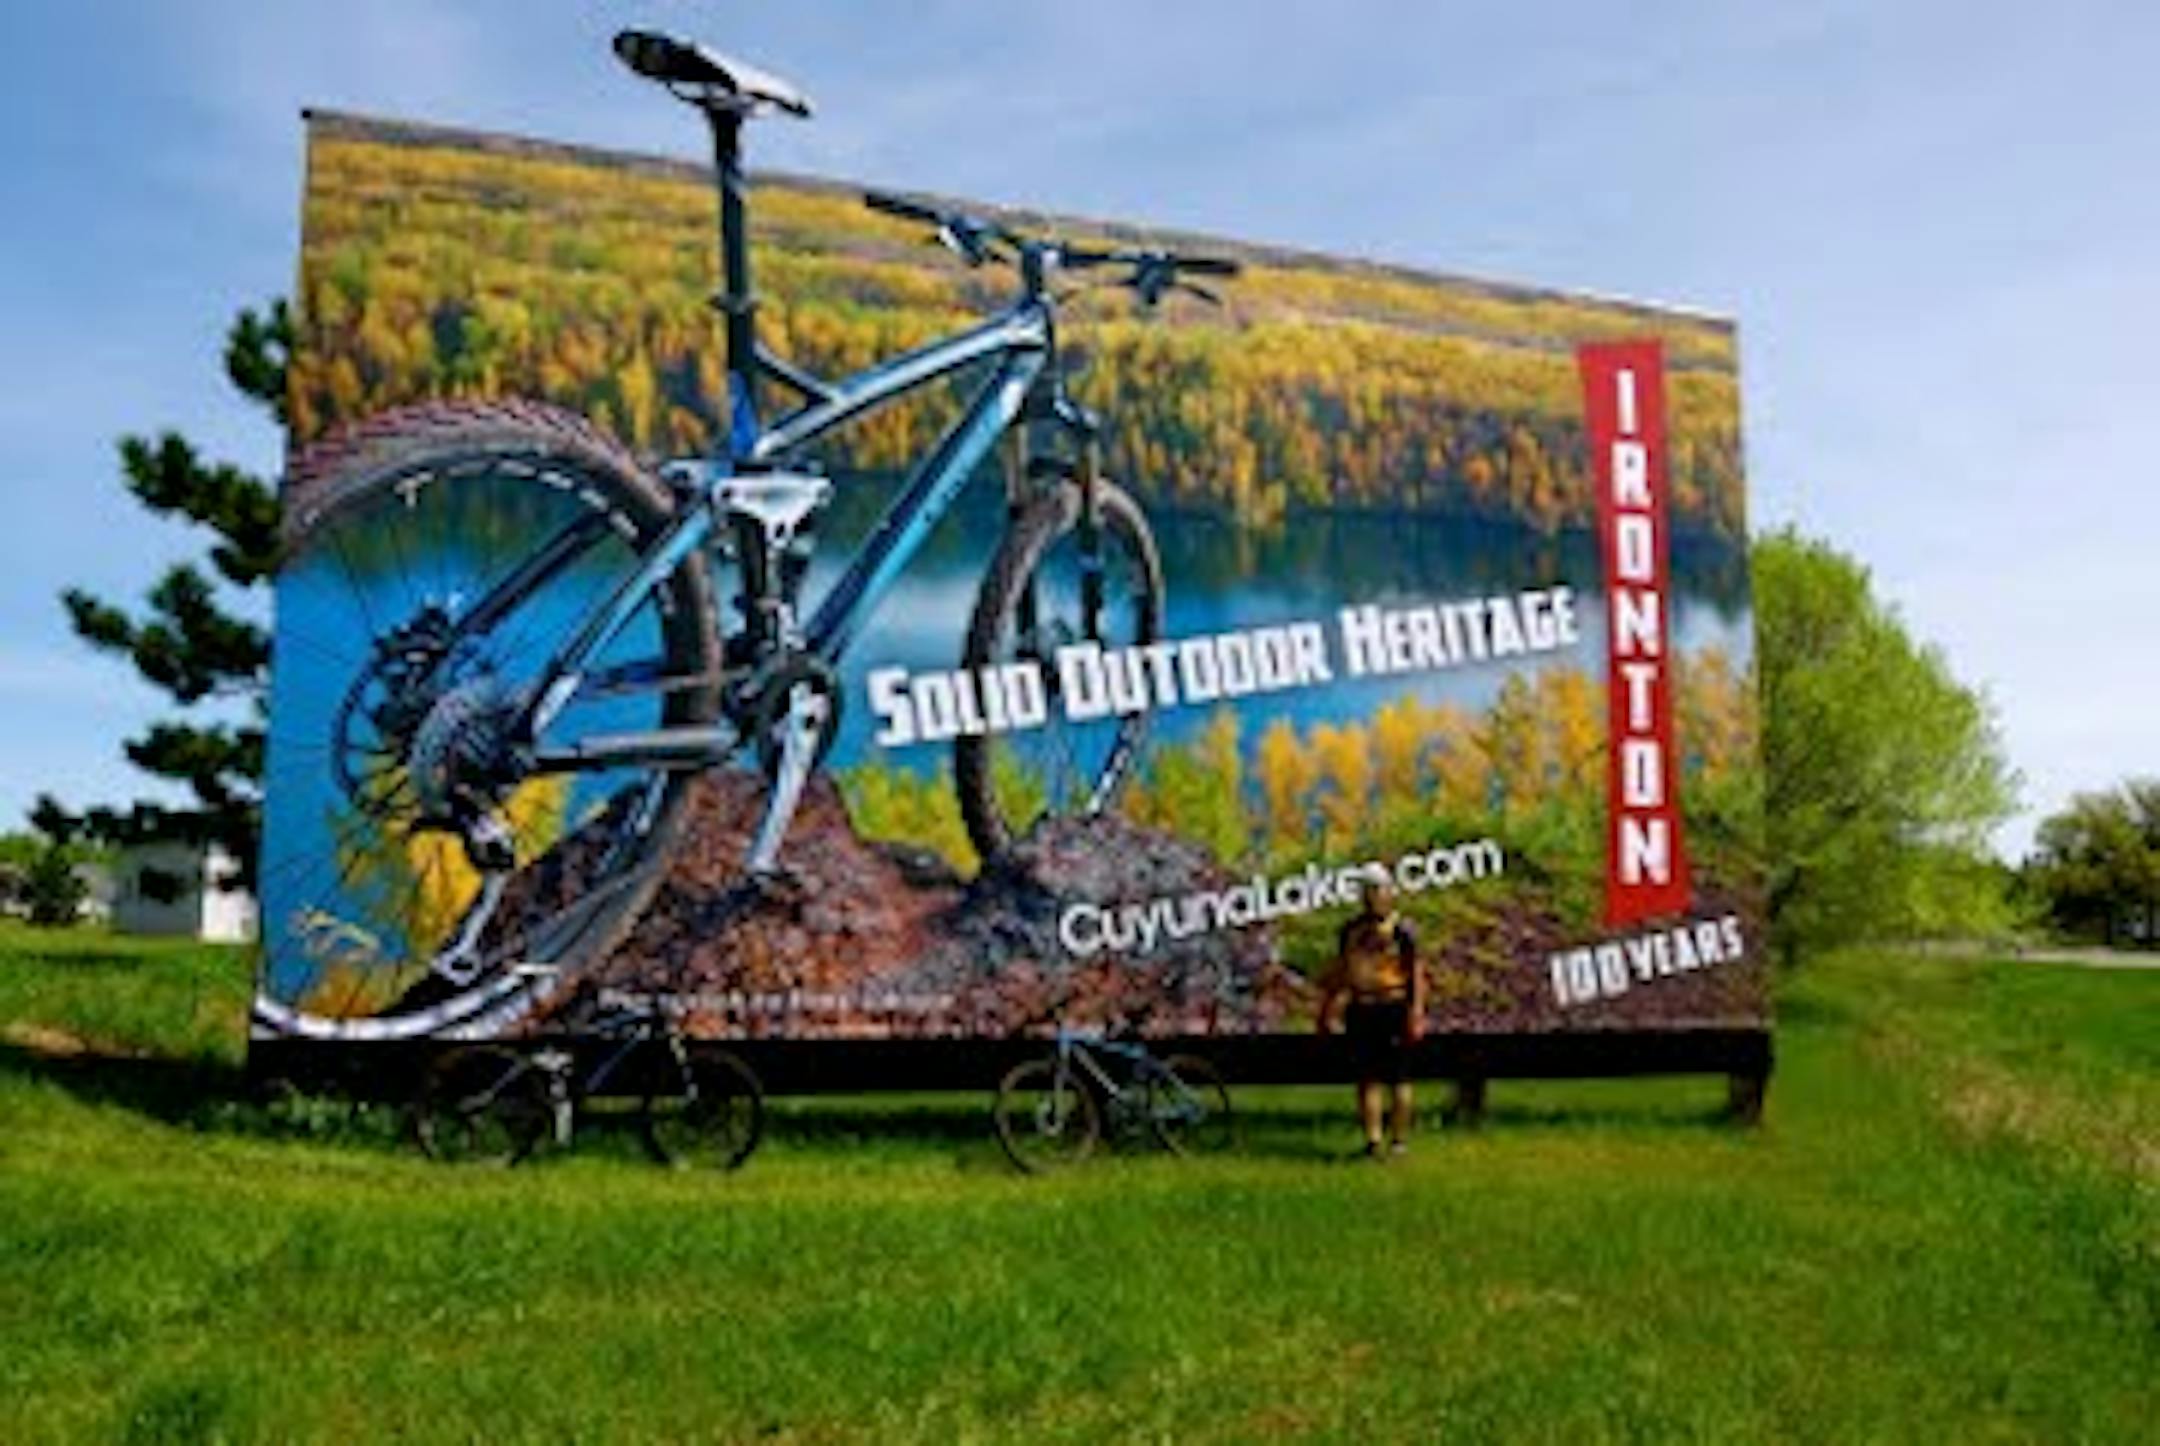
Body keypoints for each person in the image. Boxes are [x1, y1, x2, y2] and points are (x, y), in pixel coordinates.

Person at [1317, 873, 1426, 1159]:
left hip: (1394, 1005)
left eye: (1378, 890)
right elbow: (1342, 971)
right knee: (1368, 1078)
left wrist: (1416, 1011)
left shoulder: (1404, 930)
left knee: (1400, 1079)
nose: (1372, 897)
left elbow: (1416, 972)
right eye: (1367, 891)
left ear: (1390, 892)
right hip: (1362, 1008)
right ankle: (1373, 1140)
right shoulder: (1350, 930)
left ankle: (1399, 1141)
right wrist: (1330, 1007)